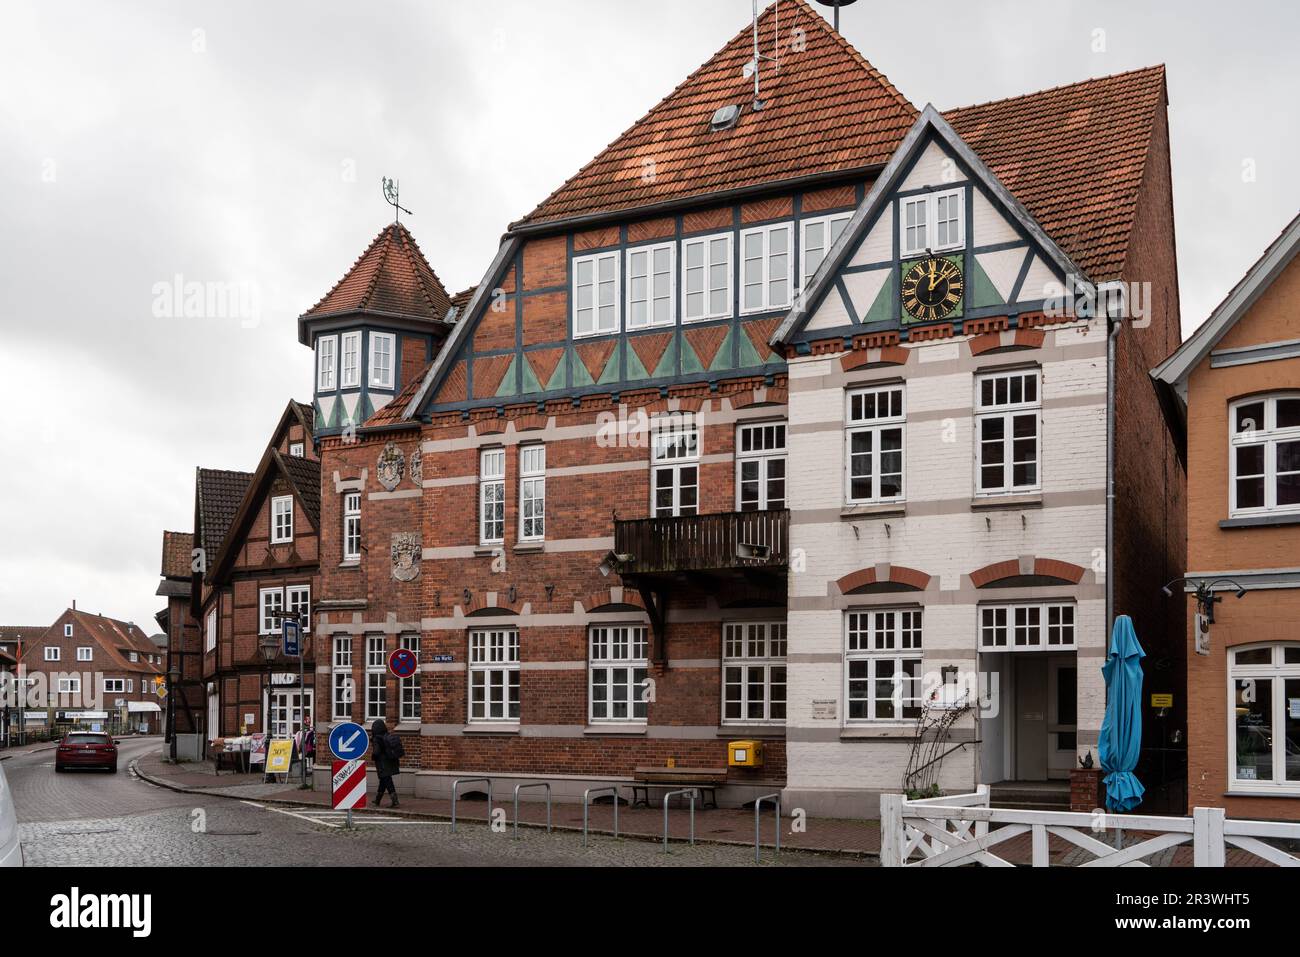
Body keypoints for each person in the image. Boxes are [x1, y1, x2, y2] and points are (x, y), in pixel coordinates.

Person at [371, 719, 400, 807]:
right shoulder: (386, 735)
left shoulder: (377, 738)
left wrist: (373, 757)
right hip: (390, 761)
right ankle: (377, 800)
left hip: (382, 763)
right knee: (383, 781)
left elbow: (376, 752)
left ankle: (395, 801)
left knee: (387, 780)